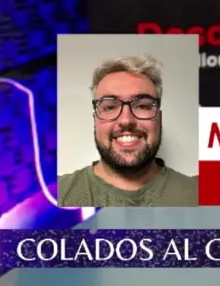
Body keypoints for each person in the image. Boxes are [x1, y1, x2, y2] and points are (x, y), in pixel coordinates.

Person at [57, 54, 198, 207]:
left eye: (142, 106)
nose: (126, 120)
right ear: (95, 120)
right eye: (110, 107)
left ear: (159, 117)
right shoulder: (56, 195)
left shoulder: (200, 195)